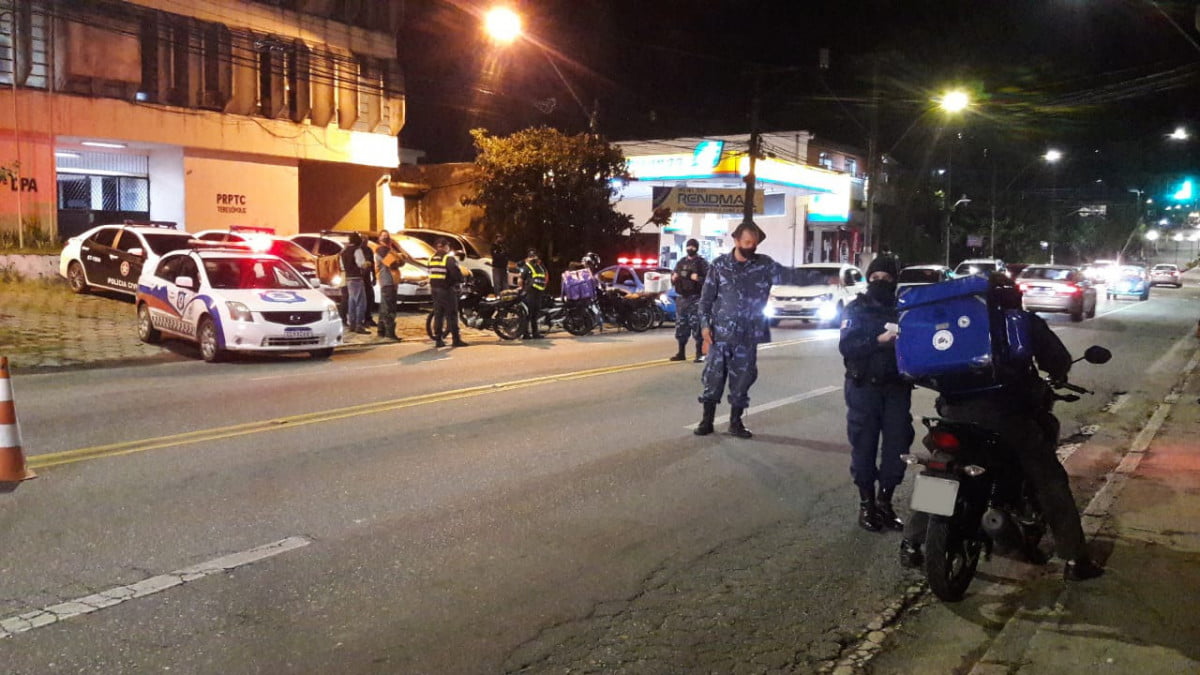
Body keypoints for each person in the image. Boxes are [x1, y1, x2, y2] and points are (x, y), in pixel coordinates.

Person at [899, 273, 1104, 582]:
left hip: (953, 411)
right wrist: (1058, 374)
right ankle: (1075, 559)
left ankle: (911, 543)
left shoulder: (954, 321)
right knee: (1048, 478)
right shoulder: (1023, 321)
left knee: (940, 472)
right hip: (1008, 415)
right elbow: (1057, 360)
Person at [839, 254, 913, 532]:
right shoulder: (856, 308)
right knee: (864, 446)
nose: (880, 281)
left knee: (898, 446)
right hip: (864, 388)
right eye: (875, 277)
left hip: (896, 388)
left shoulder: (905, 309)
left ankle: (885, 502)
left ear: (895, 280)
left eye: (886, 277)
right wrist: (878, 340)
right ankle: (866, 504)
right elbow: (847, 347)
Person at [695, 221, 782, 438]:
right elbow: (705, 300)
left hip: (748, 336)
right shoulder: (719, 266)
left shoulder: (764, 265)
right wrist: (705, 327)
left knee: (743, 381)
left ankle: (736, 422)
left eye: (754, 243)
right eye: (747, 242)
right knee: (713, 379)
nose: (751, 247)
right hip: (720, 335)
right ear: (735, 241)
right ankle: (707, 421)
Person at [670, 238, 709, 363]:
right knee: (681, 326)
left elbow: (710, 281)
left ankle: (700, 354)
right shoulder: (681, 262)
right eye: (688, 246)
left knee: (697, 326)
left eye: (692, 247)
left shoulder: (702, 263)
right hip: (682, 298)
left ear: (697, 248)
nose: (690, 249)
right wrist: (674, 277)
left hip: (696, 298)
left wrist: (697, 278)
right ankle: (681, 353)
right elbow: (674, 276)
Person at [430, 237, 468, 348]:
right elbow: (455, 273)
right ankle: (456, 340)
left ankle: (438, 340)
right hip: (446, 290)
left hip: (434, 290)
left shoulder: (431, 258)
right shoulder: (448, 259)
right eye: (447, 246)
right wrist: (461, 280)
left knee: (438, 314)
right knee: (451, 314)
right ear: (445, 246)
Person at [374, 230, 407, 341]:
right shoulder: (382, 250)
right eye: (383, 236)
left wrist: (399, 260)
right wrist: (399, 259)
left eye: (387, 236)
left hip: (389, 281)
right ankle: (389, 333)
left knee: (384, 306)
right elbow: (393, 264)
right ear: (379, 238)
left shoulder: (388, 249)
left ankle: (381, 331)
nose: (386, 238)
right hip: (388, 280)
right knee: (389, 307)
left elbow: (401, 261)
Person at [341, 232, 369, 334]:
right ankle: (359, 325)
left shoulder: (344, 251)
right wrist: (367, 264)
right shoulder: (357, 250)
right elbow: (361, 264)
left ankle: (352, 324)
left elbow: (342, 265)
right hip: (357, 278)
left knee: (351, 301)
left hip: (348, 278)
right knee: (361, 302)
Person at [519, 248, 549, 339]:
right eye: (532, 257)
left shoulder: (540, 267)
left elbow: (545, 277)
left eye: (535, 256)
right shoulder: (527, 267)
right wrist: (521, 289)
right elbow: (520, 279)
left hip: (538, 293)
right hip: (530, 292)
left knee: (535, 313)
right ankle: (525, 333)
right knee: (529, 313)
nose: (534, 258)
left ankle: (535, 333)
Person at [359, 235, 378, 328]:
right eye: (363, 240)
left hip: (367, 277)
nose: (364, 241)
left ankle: (368, 318)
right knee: (361, 299)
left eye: (366, 240)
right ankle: (361, 319)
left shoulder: (369, 250)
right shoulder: (357, 251)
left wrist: (374, 276)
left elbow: (372, 264)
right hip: (359, 277)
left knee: (370, 297)